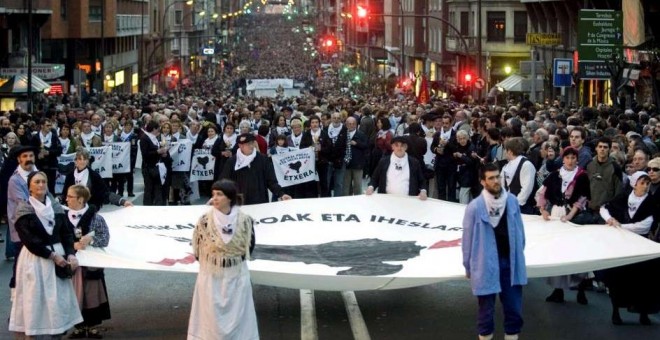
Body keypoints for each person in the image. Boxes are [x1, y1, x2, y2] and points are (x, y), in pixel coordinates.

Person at [9, 171, 84, 338]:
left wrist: (70, 254)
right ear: (29, 187)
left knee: (56, 298)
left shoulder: (56, 207)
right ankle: (33, 332)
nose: (41, 185)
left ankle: (56, 331)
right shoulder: (24, 209)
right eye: (36, 182)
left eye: (43, 181)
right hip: (35, 258)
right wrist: (52, 256)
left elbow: (66, 233)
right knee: (35, 297)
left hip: (58, 255)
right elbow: (28, 239)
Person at [462, 162, 527, 340]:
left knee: (513, 309)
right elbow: (467, 240)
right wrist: (468, 266)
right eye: (491, 178)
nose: (496, 181)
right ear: (483, 182)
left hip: (510, 263)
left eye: (497, 176)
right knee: (486, 311)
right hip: (485, 264)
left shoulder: (512, 201)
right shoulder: (475, 207)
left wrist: (518, 256)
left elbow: (520, 233)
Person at [187, 179, 258, 339]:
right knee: (211, 316)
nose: (215, 198)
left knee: (239, 315)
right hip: (212, 276)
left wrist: (231, 258)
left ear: (230, 198)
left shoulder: (245, 220)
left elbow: (250, 246)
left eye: (219, 194)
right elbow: (198, 248)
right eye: (213, 194)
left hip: (236, 274)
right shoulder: (205, 221)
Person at [600, 171, 658, 325]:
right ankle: (616, 311)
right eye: (642, 183)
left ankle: (643, 312)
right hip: (621, 245)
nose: (645, 187)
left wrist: (621, 226)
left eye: (647, 183)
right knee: (617, 278)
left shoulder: (651, 201)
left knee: (643, 280)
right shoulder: (623, 197)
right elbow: (604, 208)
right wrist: (610, 219)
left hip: (641, 246)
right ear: (634, 184)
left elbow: (645, 226)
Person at [535, 146, 591, 304]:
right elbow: (542, 192)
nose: (570, 160)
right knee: (558, 252)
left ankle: (581, 290)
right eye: (567, 157)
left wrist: (570, 215)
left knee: (576, 252)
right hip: (556, 214)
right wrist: (543, 210)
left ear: (577, 159)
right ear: (563, 158)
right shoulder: (555, 174)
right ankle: (557, 290)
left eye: (573, 158)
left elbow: (582, 199)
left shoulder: (581, 176)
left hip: (573, 216)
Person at [66, 184, 111, 339]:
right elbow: (58, 238)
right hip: (72, 264)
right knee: (74, 294)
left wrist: (91, 239)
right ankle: (78, 327)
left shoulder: (97, 218)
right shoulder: (63, 217)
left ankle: (91, 326)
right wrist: (73, 245)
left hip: (91, 264)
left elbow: (105, 239)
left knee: (92, 294)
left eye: (70, 196)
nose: (66, 199)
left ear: (80, 199)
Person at [220, 133, 292, 205]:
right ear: (240, 146)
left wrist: (281, 194)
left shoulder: (263, 159)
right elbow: (225, 182)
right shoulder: (232, 162)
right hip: (240, 203)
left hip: (260, 202)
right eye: (248, 144)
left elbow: (271, 181)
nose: (251, 146)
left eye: (252, 143)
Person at [7, 145, 39, 291]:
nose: (28, 159)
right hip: (21, 230)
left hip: (38, 228)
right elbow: (24, 203)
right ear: (19, 159)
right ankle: (15, 306)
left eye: (31, 156)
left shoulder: (39, 175)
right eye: (25, 157)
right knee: (19, 267)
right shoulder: (15, 180)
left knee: (33, 267)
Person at [62, 149, 132, 211]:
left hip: (89, 209)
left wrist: (122, 201)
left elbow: (105, 193)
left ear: (88, 161)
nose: (82, 162)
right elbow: (65, 193)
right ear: (76, 160)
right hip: (72, 208)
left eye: (85, 159)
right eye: (80, 159)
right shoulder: (70, 175)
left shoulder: (93, 175)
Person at [501, 137, 537, 214]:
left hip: (523, 208)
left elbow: (526, 189)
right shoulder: (506, 166)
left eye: (505, 150)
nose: (504, 152)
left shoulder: (526, 165)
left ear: (510, 151)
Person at [140, 121, 170, 205]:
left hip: (156, 167)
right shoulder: (144, 138)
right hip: (148, 168)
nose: (159, 131)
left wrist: (162, 154)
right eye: (158, 129)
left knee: (157, 188)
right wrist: (158, 152)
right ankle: (147, 207)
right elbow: (145, 154)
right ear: (154, 129)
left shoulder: (154, 138)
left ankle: (157, 205)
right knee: (149, 189)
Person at [31, 118, 62, 194]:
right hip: (40, 166)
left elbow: (59, 150)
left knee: (51, 187)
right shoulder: (35, 137)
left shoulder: (54, 137)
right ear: (42, 126)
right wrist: (38, 155)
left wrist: (48, 152)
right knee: (40, 187)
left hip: (51, 166)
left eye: (50, 125)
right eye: (47, 125)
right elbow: (32, 150)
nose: (49, 127)